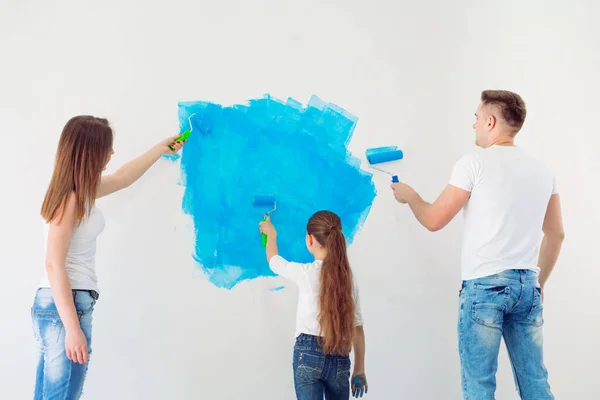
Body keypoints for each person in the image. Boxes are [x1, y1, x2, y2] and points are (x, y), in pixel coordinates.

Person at [391, 90, 564, 399]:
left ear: (490, 121)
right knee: (536, 383)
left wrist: (410, 197)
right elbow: (556, 234)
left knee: (479, 386)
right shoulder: (542, 171)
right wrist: (538, 283)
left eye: (476, 117)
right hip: (527, 286)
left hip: (485, 288)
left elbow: (434, 220)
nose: (473, 124)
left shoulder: (473, 163)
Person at [32, 115, 186, 399]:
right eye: (107, 148)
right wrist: (72, 328)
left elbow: (122, 178)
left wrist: (161, 148)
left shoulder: (78, 192)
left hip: (60, 304)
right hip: (66, 305)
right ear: (91, 152)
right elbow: (54, 264)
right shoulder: (70, 199)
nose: (112, 154)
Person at [259, 211, 368, 399]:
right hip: (340, 356)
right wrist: (359, 369)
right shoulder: (349, 278)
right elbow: (357, 328)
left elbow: (274, 262)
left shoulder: (305, 273)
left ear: (309, 240)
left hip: (308, 354)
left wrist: (271, 235)